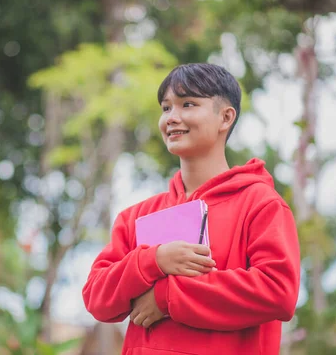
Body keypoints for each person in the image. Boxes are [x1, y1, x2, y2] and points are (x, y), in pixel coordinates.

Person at [82, 63, 300, 355]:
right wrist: (153, 261)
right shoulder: (136, 216)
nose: (172, 117)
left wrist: (166, 296)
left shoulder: (261, 204)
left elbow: (277, 292)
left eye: (188, 104)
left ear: (225, 117)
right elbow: (96, 297)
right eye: (166, 108)